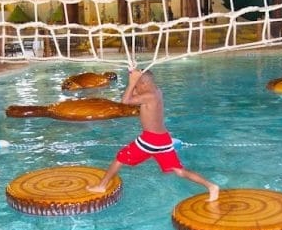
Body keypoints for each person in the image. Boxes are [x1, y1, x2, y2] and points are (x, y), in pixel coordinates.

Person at [87, 68, 220, 201]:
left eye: (137, 85)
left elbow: (125, 101)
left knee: (120, 158)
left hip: (150, 140)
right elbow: (135, 93)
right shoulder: (156, 91)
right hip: (164, 139)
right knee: (179, 170)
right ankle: (211, 186)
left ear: (144, 84)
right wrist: (134, 77)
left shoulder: (148, 96)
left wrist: (132, 82)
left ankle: (102, 186)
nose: (136, 88)